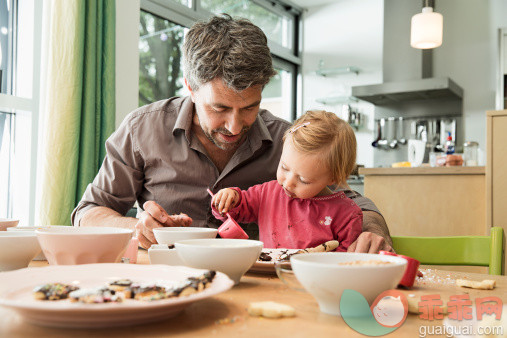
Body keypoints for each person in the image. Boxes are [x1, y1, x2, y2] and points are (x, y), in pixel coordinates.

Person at [71, 14, 392, 252]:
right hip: (165, 279)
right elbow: (88, 213)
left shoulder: (289, 141)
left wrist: (372, 234)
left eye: (250, 107)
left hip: (259, 289)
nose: (235, 127)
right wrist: (135, 227)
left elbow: (356, 204)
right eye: (220, 109)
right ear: (191, 88)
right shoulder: (143, 129)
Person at [211, 111, 362, 251]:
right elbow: (240, 207)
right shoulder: (268, 193)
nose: (288, 183)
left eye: (303, 179)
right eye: (284, 167)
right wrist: (229, 198)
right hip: (269, 275)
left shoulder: (346, 216)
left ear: (333, 178)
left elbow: (347, 262)